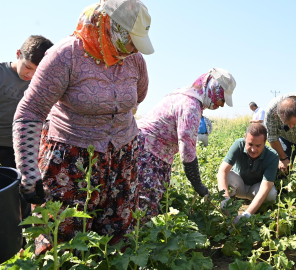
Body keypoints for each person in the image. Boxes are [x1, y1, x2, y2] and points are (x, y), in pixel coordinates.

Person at [12, 0, 153, 255]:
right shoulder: (66, 55)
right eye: (129, 39)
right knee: (63, 243)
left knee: (115, 241)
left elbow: (138, 97)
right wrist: (28, 170)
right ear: (109, 27)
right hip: (70, 162)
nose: (133, 48)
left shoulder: (134, 61)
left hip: (121, 161)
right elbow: (30, 112)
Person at [136, 68, 236, 223]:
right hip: (148, 154)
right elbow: (187, 150)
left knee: (144, 200)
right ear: (213, 89)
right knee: (145, 203)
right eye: (222, 98)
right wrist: (198, 184)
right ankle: (137, 243)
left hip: (148, 150)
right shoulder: (190, 106)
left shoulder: (185, 95)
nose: (222, 105)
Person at [0, 36, 53, 169]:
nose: (31, 75)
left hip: (27, 150)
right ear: (18, 54)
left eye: (38, 71)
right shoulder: (2, 74)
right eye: (28, 67)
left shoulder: (44, 84)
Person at [217, 124, 278, 224]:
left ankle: (259, 213)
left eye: (258, 145)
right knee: (225, 176)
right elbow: (222, 171)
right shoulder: (238, 144)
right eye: (250, 144)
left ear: (265, 141)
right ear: (245, 138)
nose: (253, 150)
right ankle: (230, 211)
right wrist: (225, 198)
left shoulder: (272, 156)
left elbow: (265, 188)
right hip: (239, 185)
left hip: (255, 190)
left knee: (271, 194)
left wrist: (246, 214)